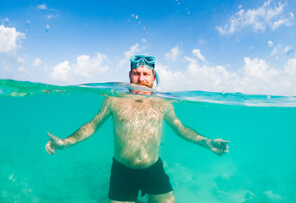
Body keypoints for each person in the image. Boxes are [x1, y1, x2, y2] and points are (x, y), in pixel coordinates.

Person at [45, 55, 230, 203]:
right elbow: (93, 125)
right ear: (129, 75)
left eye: (145, 74)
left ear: (153, 77)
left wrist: (207, 142)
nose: (140, 79)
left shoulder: (162, 103)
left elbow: (181, 129)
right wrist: (65, 142)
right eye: (136, 73)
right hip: (122, 171)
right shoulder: (114, 99)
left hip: (153, 168)